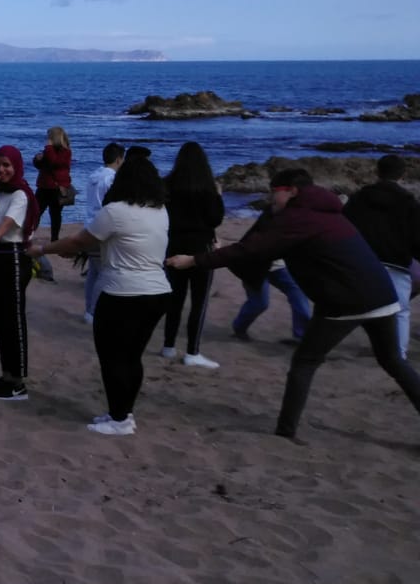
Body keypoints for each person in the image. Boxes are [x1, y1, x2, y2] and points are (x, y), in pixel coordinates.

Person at [169, 167, 420, 442]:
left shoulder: (299, 217)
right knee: (393, 361)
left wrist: (194, 260)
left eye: (274, 192)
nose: (270, 198)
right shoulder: (327, 211)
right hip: (381, 295)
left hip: (346, 301)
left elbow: (249, 249)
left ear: (292, 191)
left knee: (305, 362)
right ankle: (286, 429)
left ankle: (285, 431)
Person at [30, 156, 170, 436]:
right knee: (132, 357)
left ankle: (119, 419)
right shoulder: (160, 211)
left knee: (112, 357)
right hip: (157, 292)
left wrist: (43, 249)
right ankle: (123, 413)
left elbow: (79, 241)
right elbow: (120, 243)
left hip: (122, 292)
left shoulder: (115, 211)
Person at [0, 145, 41, 401]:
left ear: (16, 166)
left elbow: (7, 224)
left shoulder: (21, 194)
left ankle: (18, 382)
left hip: (13, 255)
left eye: (6, 165)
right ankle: (6, 375)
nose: (1, 170)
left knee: (13, 319)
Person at [343, 154, 420, 359]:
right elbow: (416, 237)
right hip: (396, 262)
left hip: (363, 260)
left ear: (377, 172)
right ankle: (399, 355)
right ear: (403, 175)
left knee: (357, 307)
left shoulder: (360, 198)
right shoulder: (408, 202)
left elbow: (345, 227)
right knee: (400, 311)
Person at [161, 141, 225, 369]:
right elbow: (215, 219)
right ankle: (192, 351)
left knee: (174, 299)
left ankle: (168, 345)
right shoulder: (207, 188)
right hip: (200, 247)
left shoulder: (168, 185)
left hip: (174, 245)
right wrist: (218, 195)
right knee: (199, 302)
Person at [81, 143, 125, 324]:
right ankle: (93, 311)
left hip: (89, 226)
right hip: (102, 228)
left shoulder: (94, 176)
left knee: (94, 271)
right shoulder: (112, 179)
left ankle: (89, 309)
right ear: (119, 159)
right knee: (104, 273)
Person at [33, 126, 73, 242]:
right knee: (36, 212)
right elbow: (42, 165)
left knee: (55, 214)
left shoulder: (65, 152)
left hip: (56, 188)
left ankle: (54, 239)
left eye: (49, 137)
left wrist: (49, 148)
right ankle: (29, 234)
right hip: (45, 186)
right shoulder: (48, 151)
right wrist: (37, 159)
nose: (47, 139)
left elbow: (54, 162)